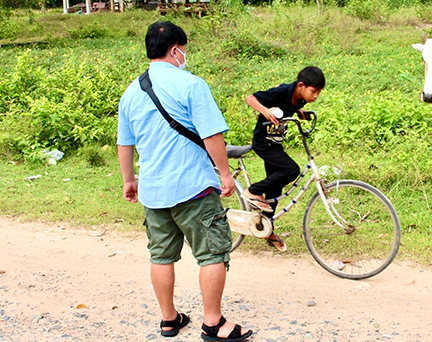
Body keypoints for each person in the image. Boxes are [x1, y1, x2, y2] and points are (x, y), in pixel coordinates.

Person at [117, 21, 252, 341]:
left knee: (161, 255)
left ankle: (169, 319)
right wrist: (225, 174)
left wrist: (129, 180)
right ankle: (213, 322)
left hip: (153, 191)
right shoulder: (191, 85)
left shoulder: (131, 92)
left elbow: (125, 143)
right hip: (194, 188)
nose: (185, 55)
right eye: (184, 50)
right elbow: (211, 135)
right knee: (213, 253)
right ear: (175, 50)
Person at [242, 66, 325, 252]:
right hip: (264, 143)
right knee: (291, 170)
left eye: (319, 92)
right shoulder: (281, 92)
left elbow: (290, 106)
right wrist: (265, 111)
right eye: (314, 91)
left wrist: (297, 112)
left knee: (274, 190)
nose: (316, 96)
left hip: (276, 143)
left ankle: (265, 229)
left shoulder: (299, 98)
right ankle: (252, 191)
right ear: (301, 85)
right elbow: (250, 98)